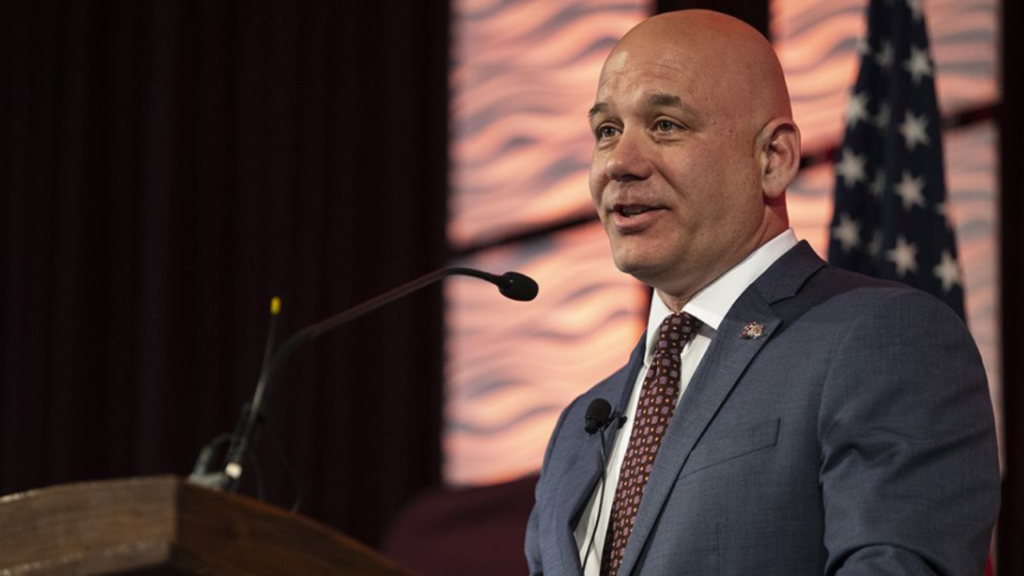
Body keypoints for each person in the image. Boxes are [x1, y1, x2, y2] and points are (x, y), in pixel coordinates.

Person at [525, 9, 999, 576]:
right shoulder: (578, 428)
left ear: (773, 158)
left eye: (666, 125)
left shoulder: (884, 339)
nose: (620, 163)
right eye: (606, 131)